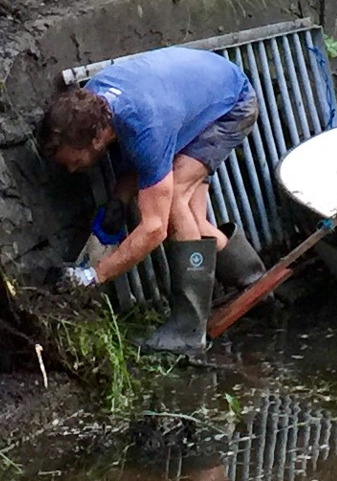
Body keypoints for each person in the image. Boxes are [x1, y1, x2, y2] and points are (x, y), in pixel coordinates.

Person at [37, 45, 265, 351]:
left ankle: (188, 331)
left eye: (74, 160)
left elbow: (153, 229)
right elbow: (142, 161)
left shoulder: (144, 126)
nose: (71, 169)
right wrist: (118, 201)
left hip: (230, 106)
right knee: (194, 220)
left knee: (175, 204)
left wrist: (94, 274)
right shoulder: (93, 106)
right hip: (199, 94)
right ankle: (254, 281)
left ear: (96, 139)